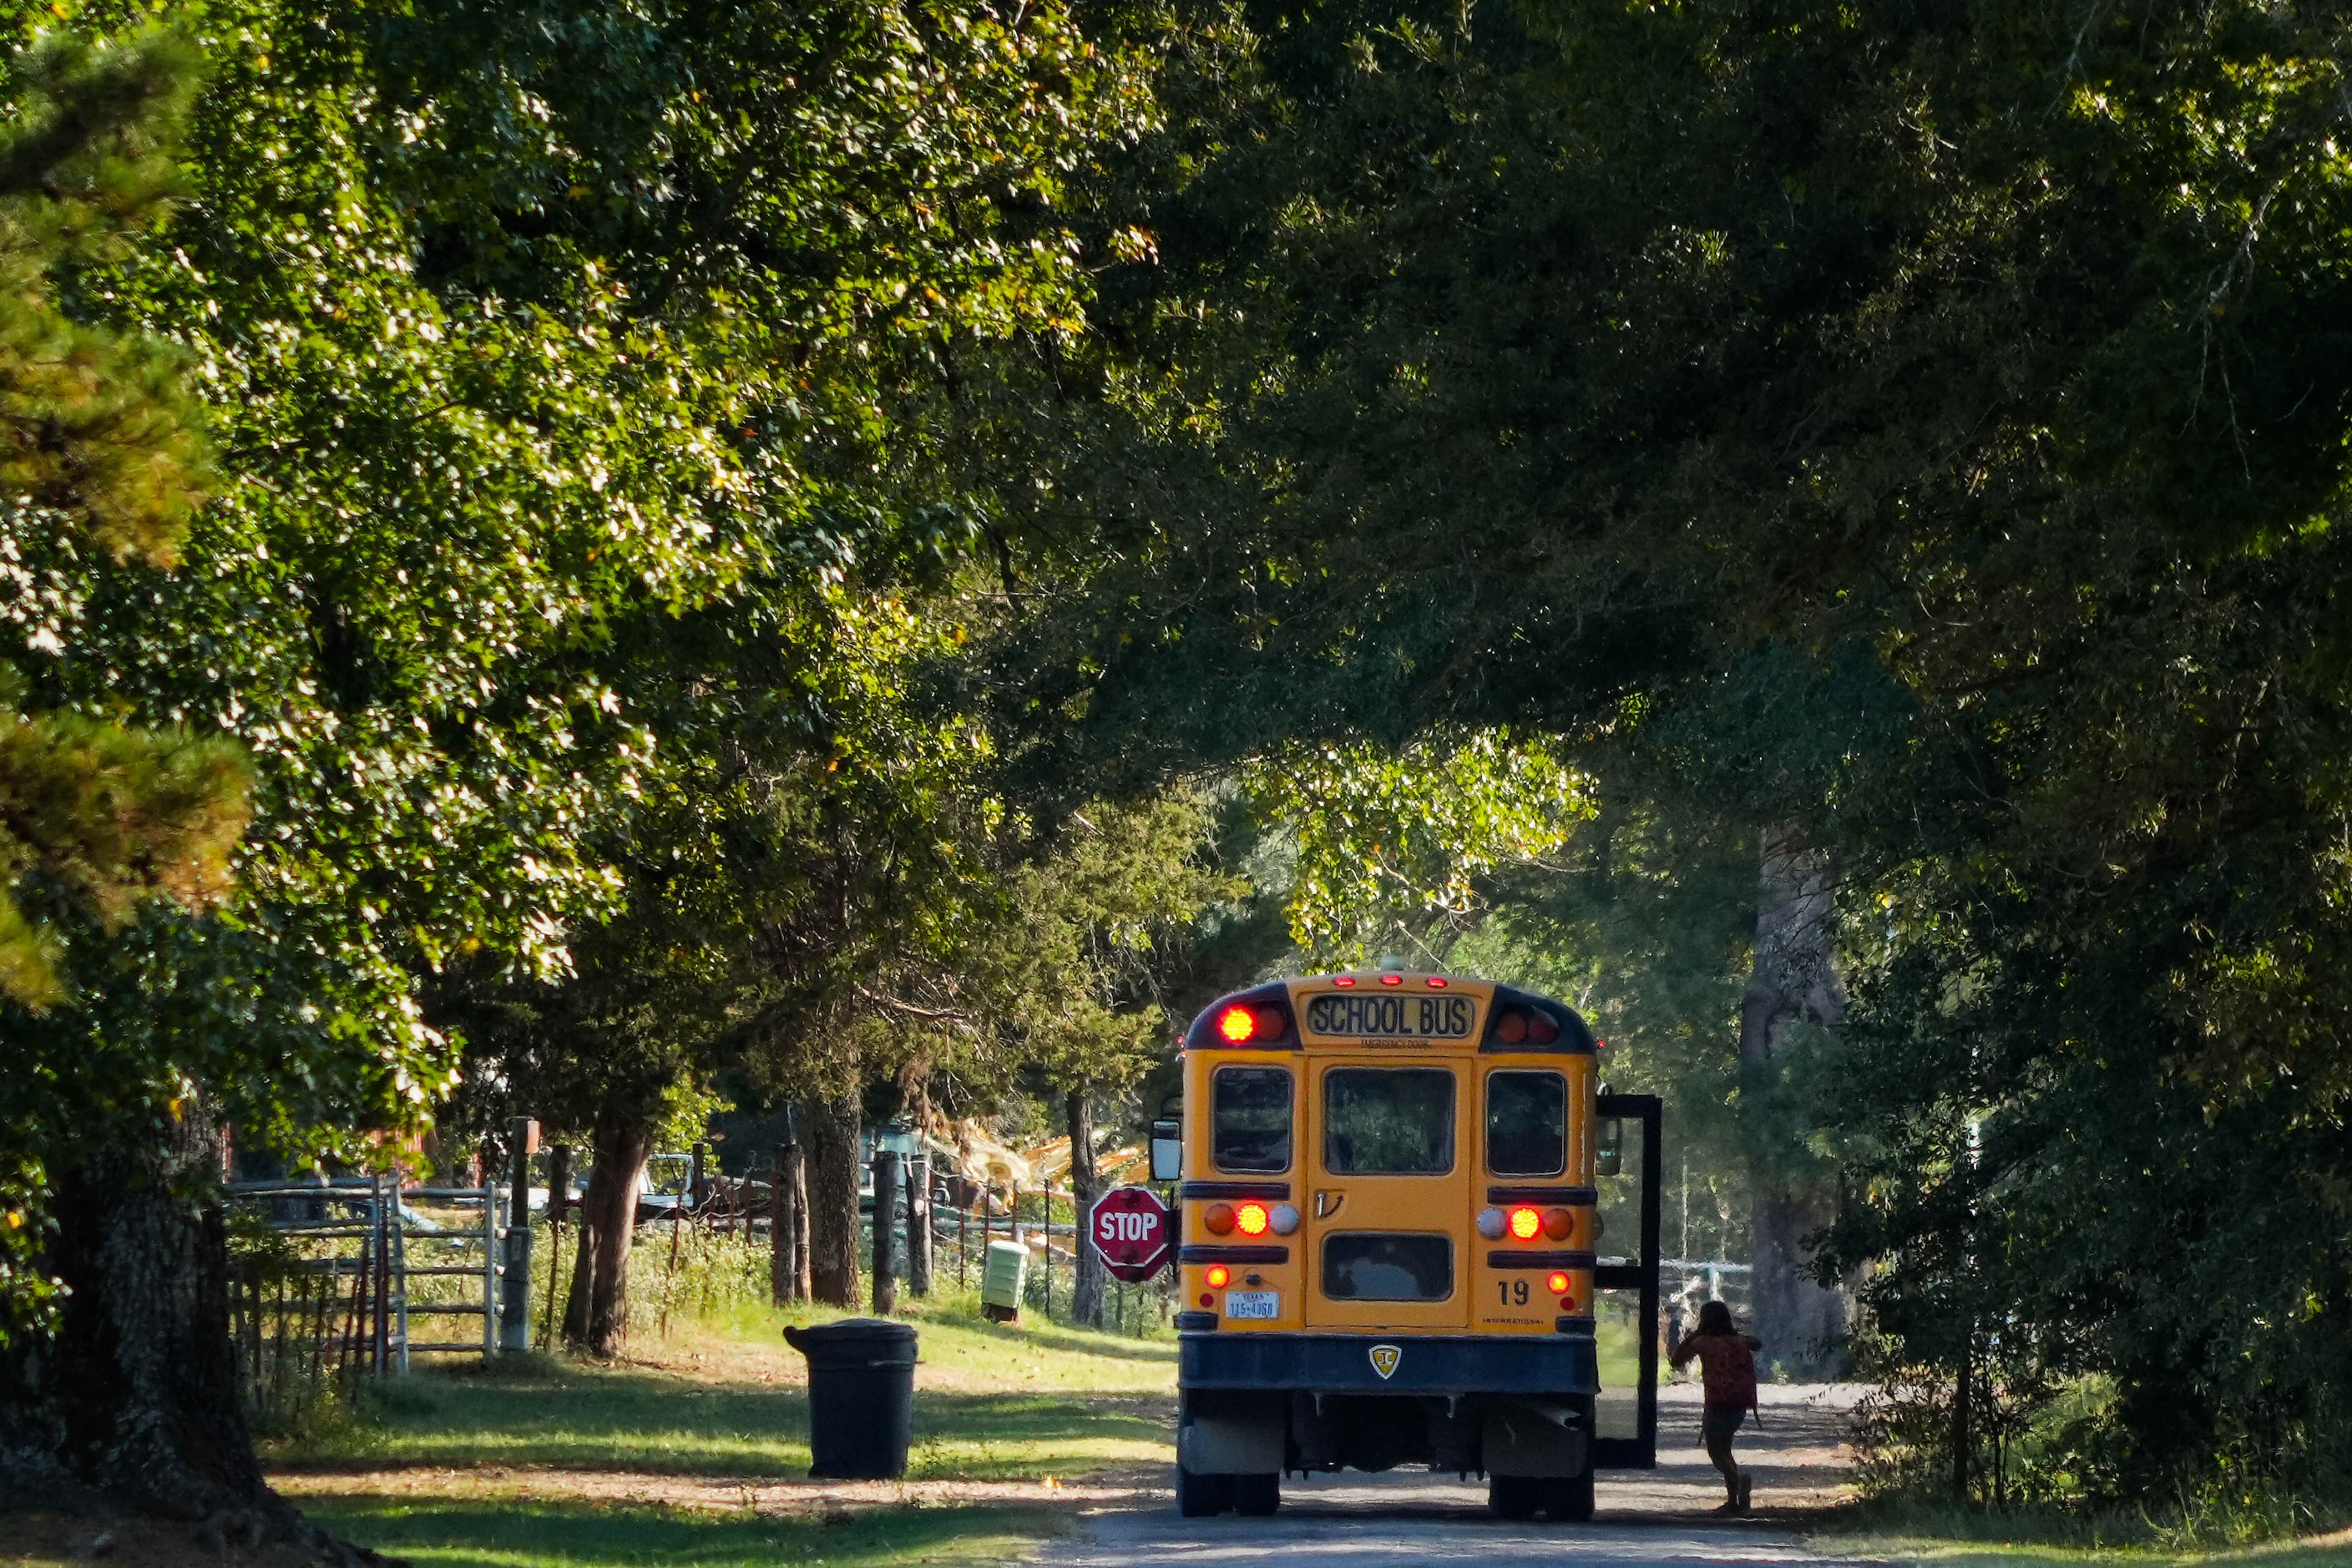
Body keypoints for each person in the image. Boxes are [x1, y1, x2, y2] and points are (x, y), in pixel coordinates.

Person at [1669, 1299, 1762, 1513]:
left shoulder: (1703, 1343)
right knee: (1725, 1449)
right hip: (1739, 1404)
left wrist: (1695, 1333)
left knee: (1717, 1453)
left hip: (1717, 1403)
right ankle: (1734, 1502)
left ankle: (1738, 1484)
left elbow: (1676, 1361)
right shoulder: (1740, 1341)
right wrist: (1737, 1336)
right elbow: (1757, 1343)